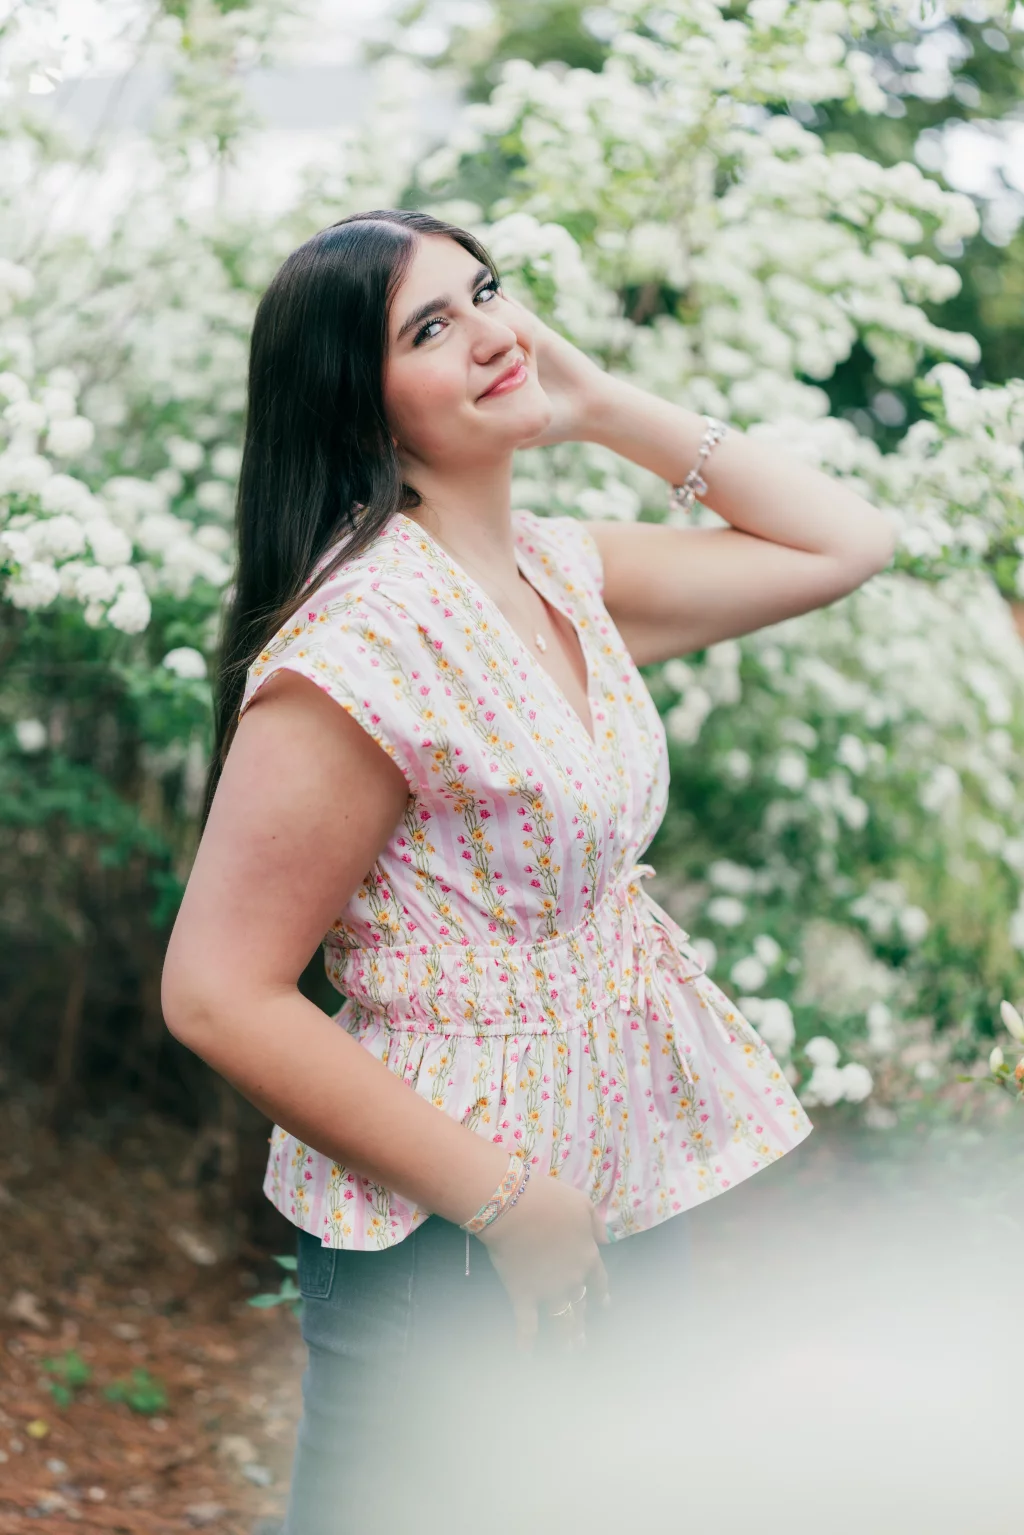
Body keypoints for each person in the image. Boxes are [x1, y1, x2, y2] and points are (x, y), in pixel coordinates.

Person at [161, 209, 895, 1533]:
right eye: (430, 328)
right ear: (361, 408)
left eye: (487, 291)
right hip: (453, 1214)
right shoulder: (365, 642)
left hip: (616, 1153)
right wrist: (509, 1204)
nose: (495, 331)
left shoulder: (559, 571)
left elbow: (844, 544)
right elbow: (217, 990)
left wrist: (603, 404)